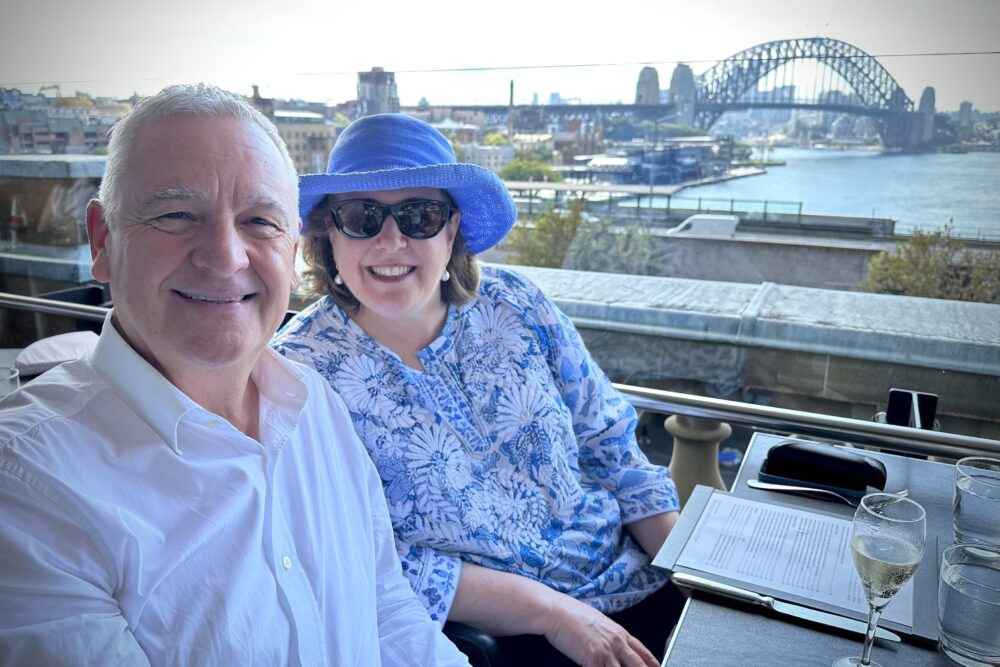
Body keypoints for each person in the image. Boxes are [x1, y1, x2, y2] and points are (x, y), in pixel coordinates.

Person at [0, 85, 468, 666]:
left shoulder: (317, 405)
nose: (225, 256)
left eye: (259, 221)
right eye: (175, 214)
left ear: (293, 250)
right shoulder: (26, 489)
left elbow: (386, 609)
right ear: (103, 241)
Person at [273, 113, 683, 666]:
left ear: (451, 230)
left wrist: (695, 576)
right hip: (508, 638)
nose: (390, 241)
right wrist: (554, 613)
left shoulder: (517, 302)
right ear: (328, 232)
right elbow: (359, 556)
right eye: (360, 216)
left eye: (419, 215)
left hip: (638, 577)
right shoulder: (298, 374)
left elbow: (610, 442)